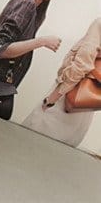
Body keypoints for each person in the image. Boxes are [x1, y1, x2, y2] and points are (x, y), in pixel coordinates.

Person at [21, 18, 101, 147]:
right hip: (87, 103)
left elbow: (81, 65)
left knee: (29, 143)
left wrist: (51, 100)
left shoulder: (99, 24)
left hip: (67, 96)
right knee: (57, 152)